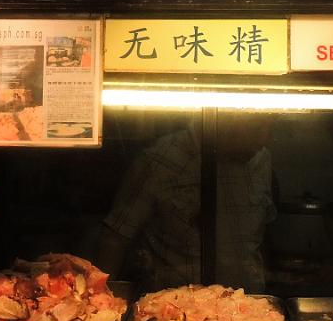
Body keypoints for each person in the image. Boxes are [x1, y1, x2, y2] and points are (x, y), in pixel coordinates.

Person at [95, 113, 276, 293]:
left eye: (269, 126)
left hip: (248, 302)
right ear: (227, 120)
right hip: (172, 303)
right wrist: (101, 296)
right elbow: (116, 238)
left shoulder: (261, 160)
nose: (264, 139)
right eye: (256, 128)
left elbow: (262, 234)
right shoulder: (160, 159)